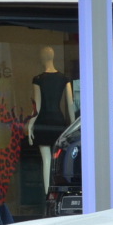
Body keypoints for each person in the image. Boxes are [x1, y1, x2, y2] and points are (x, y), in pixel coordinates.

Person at [27, 46, 73, 192]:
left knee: (46, 159)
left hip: (43, 121)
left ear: (42, 58)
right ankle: (58, 189)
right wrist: (73, 125)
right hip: (59, 121)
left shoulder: (39, 79)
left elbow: (37, 107)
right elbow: (70, 104)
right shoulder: (64, 78)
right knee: (58, 159)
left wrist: (30, 125)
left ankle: (48, 193)